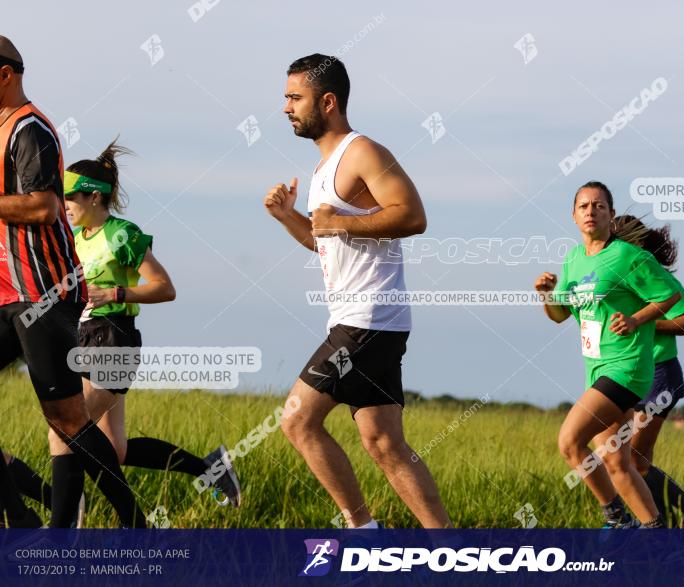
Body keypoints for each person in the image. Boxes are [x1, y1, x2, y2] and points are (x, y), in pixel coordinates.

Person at [264, 54, 450, 528]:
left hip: (367, 321)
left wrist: (340, 220)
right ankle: (448, 546)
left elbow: (412, 216)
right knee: (384, 443)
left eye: (294, 97)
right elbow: (324, 240)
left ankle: (364, 531)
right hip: (366, 321)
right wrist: (290, 219)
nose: (285, 107)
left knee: (297, 421)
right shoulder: (324, 168)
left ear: (327, 101)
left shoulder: (363, 151)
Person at [42, 140, 241, 527]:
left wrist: (115, 293)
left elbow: (165, 287)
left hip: (114, 338)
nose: (62, 204)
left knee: (65, 431)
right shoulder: (74, 239)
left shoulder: (122, 234)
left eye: (68, 196)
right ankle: (208, 468)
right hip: (86, 339)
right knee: (113, 449)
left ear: (94, 196)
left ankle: (65, 531)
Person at [0, 35, 145, 527]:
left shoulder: (31, 129)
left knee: (66, 420)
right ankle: (22, 521)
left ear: (5, 75)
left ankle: (131, 520)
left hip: (40, 292)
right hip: (5, 292)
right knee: (69, 422)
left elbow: (44, 206)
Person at [535, 181, 680, 529]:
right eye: (584, 206)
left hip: (627, 368)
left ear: (611, 216)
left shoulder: (630, 257)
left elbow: (669, 295)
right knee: (617, 463)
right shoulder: (572, 260)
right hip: (597, 368)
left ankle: (616, 518)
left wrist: (635, 319)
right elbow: (559, 317)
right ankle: (658, 537)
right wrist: (548, 295)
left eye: (599, 206)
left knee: (570, 442)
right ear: (573, 216)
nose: (591, 211)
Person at [613, 214, 684, 527]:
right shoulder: (617, 279)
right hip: (628, 375)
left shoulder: (656, 277)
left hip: (659, 374)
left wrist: (643, 324)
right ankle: (662, 520)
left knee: (635, 460)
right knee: (623, 459)